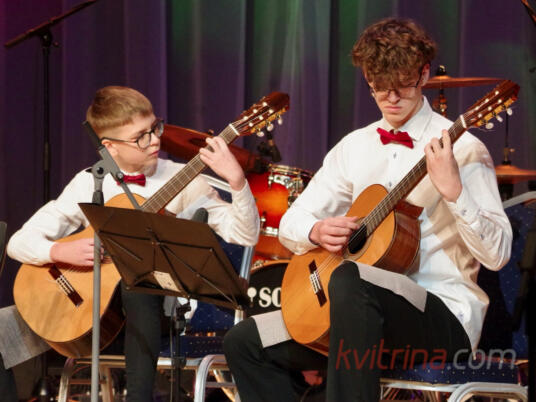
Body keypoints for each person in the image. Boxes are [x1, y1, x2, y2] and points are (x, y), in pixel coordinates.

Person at [223, 17, 512, 401]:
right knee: (245, 340)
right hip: (356, 321)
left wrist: (455, 192)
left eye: (402, 84)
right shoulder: (355, 147)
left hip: (440, 315)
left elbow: (498, 255)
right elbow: (293, 220)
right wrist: (315, 231)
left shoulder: (464, 150)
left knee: (351, 279)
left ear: (425, 74)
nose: (391, 97)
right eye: (379, 86)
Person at [7, 86, 259, 401]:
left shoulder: (185, 179)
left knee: (137, 283)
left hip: (166, 315)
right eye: (141, 136)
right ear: (110, 147)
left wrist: (237, 182)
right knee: (6, 331)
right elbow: (18, 242)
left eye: (155, 127)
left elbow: (245, 236)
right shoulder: (89, 181)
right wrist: (58, 250)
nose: (155, 140)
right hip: (94, 318)